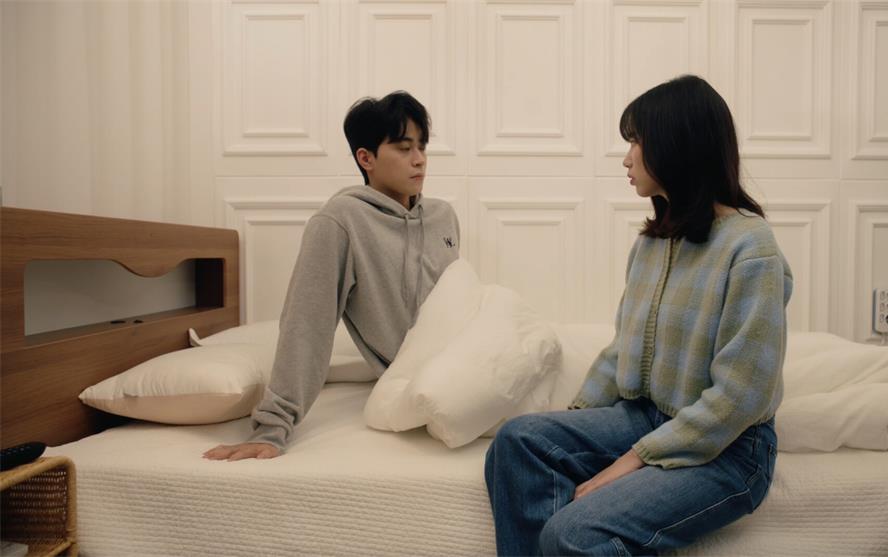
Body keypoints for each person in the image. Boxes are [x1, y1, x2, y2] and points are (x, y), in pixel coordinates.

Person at [484, 75, 794, 555]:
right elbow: (620, 353)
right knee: (517, 440)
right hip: (645, 417)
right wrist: (575, 423)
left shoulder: (751, 248)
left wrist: (633, 460)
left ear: (677, 146)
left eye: (636, 141)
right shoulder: (652, 244)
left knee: (572, 533)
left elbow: (740, 397)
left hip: (731, 450)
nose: (627, 158)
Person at [204, 91, 460, 461]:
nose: (419, 159)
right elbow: (308, 323)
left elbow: (459, 299)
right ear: (366, 158)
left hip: (468, 350)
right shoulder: (339, 222)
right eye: (404, 148)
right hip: (433, 375)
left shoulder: (443, 216)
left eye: (422, 146)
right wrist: (274, 426)